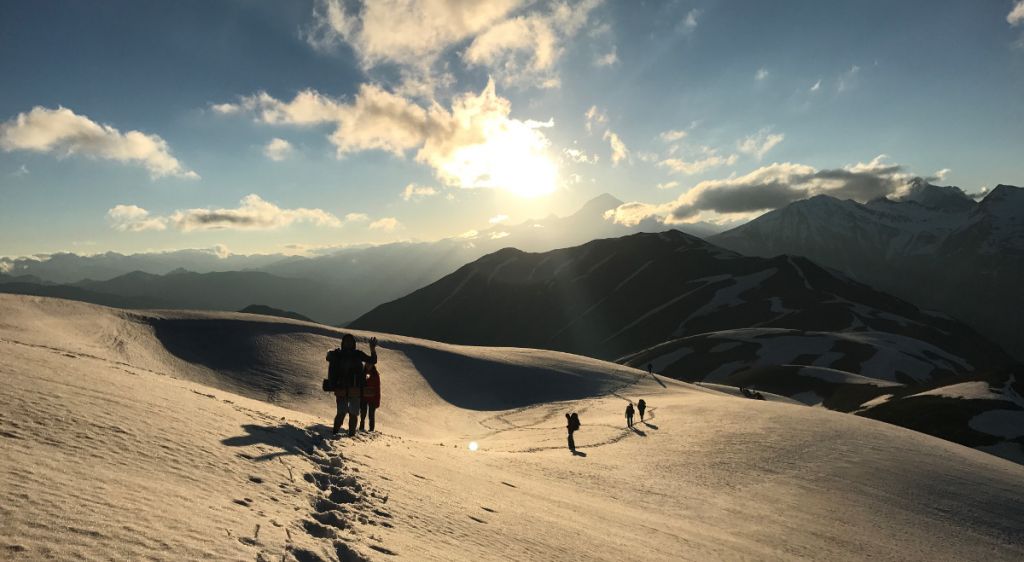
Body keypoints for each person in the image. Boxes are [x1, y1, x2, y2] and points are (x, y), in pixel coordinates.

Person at [326, 334, 377, 437]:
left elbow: (372, 360)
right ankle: (335, 433)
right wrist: (334, 384)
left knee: (353, 413)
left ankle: (351, 435)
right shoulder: (338, 354)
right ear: (343, 343)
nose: (348, 343)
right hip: (342, 388)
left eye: (350, 341)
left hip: (356, 388)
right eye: (346, 341)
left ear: (353, 343)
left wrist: (372, 349)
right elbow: (332, 370)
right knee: (341, 412)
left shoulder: (357, 354)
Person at [360, 363, 381, 432]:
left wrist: (377, 401)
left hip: (373, 398)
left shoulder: (375, 374)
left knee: (371, 415)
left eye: (370, 364)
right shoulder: (362, 373)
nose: (368, 366)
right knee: (363, 413)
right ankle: (361, 427)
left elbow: (377, 388)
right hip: (364, 397)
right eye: (367, 364)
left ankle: (371, 429)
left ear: (372, 365)